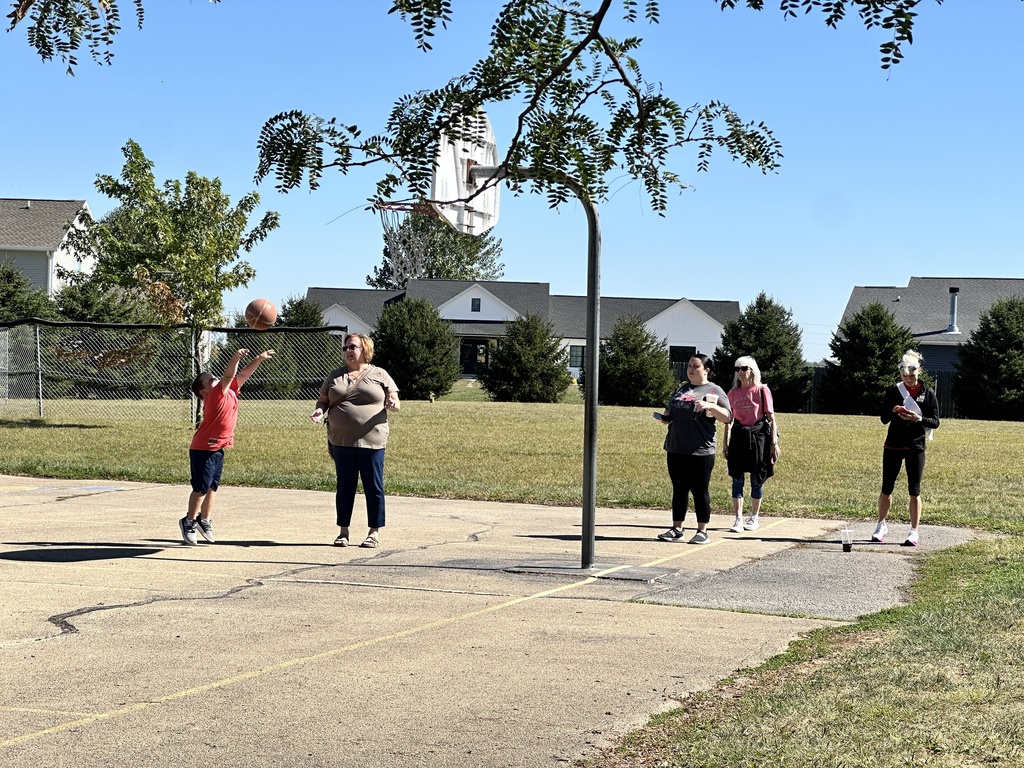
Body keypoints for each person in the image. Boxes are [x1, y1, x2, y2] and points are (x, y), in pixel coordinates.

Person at [312, 333, 400, 549]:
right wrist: (319, 411)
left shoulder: (379, 374)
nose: (348, 351)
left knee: (374, 487)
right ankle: (343, 532)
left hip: (372, 442)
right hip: (342, 441)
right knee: (344, 487)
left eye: (353, 347)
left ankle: (374, 532)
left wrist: (392, 403)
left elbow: (395, 401)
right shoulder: (335, 376)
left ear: (365, 350)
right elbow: (323, 400)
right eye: (346, 348)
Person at [180, 347, 276, 545]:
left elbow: (242, 375)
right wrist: (235, 358)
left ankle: (203, 520)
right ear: (204, 391)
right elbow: (228, 374)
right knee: (201, 488)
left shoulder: (229, 391)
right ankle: (188, 521)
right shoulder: (213, 396)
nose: (214, 378)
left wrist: (258, 358)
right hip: (203, 449)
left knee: (212, 487)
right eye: (210, 379)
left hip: (217, 449)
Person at [657, 354, 732, 544]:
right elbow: (671, 410)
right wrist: (666, 417)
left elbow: (728, 416)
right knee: (679, 489)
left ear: (706, 369)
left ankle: (702, 531)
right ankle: (677, 529)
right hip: (676, 447)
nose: (690, 369)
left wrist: (709, 405)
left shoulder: (714, 389)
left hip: (700, 450)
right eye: (689, 365)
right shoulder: (683, 388)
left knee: (700, 490)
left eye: (695, 366)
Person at [872, 350, 940, 547]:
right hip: (893, 445)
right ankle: (881, 524)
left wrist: (917, 418)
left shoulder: (928, 393)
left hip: (915, 446)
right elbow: (883, 419)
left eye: (912, 375)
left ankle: (914, 531)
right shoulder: (894, 390)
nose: (909, 379)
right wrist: (894, 411)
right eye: (904, 376)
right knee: (886, 488)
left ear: (919, 371)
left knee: (914, 490)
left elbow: (935, 422)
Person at [722, 356, 780, 533]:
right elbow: (728, 420)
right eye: (737, 369)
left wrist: (774, 443)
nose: (740, 372)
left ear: (752, 370)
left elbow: (771, 417)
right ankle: (738, 519)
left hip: (758, 437)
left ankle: (754, 517)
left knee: (757, 479)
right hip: (739, 437)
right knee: (737, 479)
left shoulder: (762, 390)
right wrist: (725, 443)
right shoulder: (732, 393)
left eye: (744, 368)